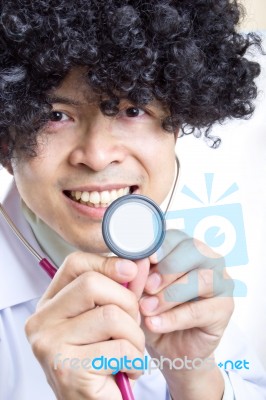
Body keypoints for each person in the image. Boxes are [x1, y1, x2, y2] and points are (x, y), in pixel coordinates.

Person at [0, 1, 265, 399]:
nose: (98, 154)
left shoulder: (202, 286)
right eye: (54, 116)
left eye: (132, 108)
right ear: (5, 141)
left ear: (177, 124)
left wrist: (197, 380)